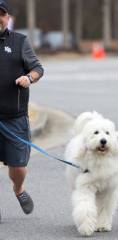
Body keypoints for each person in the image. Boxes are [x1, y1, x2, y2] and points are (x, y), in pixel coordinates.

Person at [0, 1, 44, 222]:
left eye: (1, 14)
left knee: (18, 167)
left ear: (7, 18)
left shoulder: (20, 41)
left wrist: (29, 78)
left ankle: (18, 189)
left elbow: (37, 68)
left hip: (14, 117)